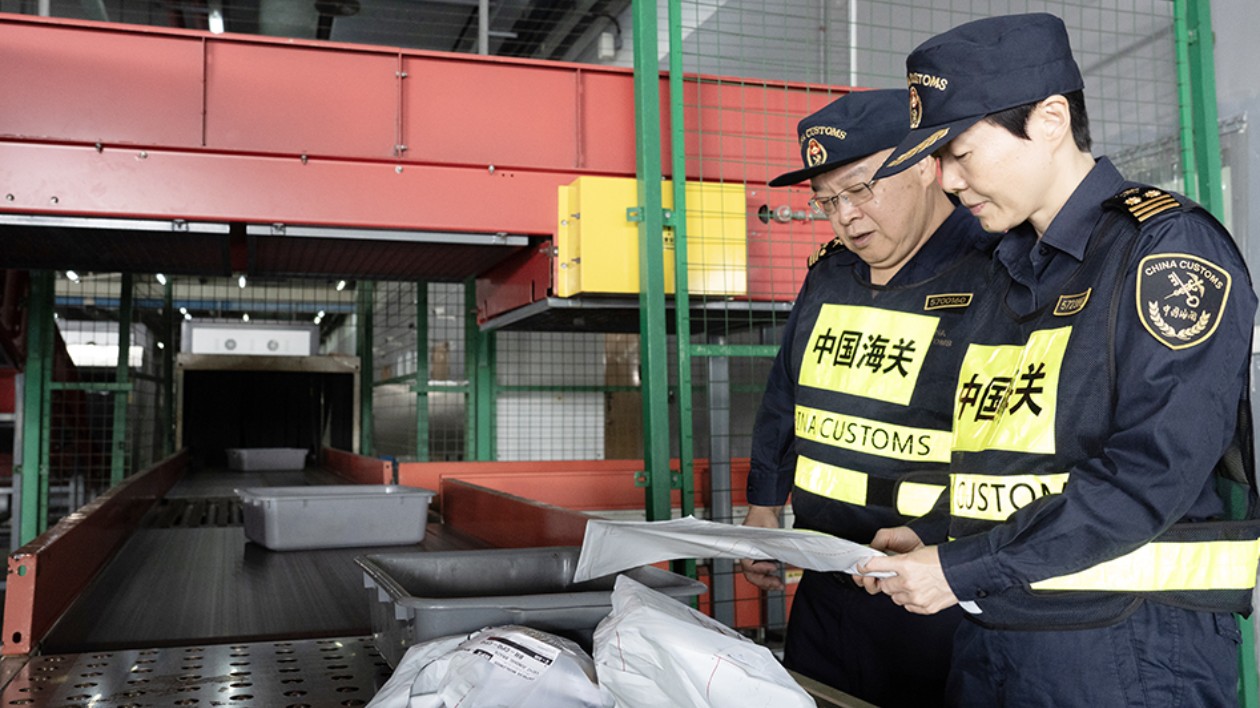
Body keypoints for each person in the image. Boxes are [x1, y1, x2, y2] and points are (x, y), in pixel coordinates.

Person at [861, 13, 1260, 707]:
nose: (947, 180)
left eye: (961, 152)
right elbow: (1021, 455)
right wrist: (937, 538)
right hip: (999, 625)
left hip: (1127, 647)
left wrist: (962, 566)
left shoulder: (1164, 252)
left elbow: (1149, 472)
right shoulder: (1003, 266)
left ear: (1050, 119)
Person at [740, 88, 992, 707]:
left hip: (936, 588)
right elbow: (787, 390)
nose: (846, 217)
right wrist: (765, 504)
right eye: (826, 201)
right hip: (827, 576)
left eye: (860, 189)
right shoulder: (831, 272)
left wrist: (949, 545)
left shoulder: (996, 267)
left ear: (925, 166)